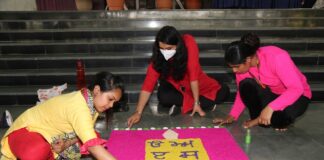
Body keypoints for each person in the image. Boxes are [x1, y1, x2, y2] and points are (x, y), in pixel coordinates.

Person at [0, 71, 124, 160]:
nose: (111, 106)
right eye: (110, 99)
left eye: (114, 102)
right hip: (24, 133)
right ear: (97, 90)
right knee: (36, 151)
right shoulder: (79, 106)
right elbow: (93, 147)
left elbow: (79, 133)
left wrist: (66, 144)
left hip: (50, 139)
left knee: (94, 136)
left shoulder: (90, 103)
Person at [127, 26, 229, 128]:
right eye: (162, 48)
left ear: (178, 45)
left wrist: (197, 102)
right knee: (163, 97)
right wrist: (138, 112)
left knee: (224, 91)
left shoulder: (188, 43)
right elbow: (148, 85)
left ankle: (187, 106)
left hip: (196, 85)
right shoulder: (158, 56)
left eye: (169, 49)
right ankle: (198, 105)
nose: (165, 52)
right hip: (176, 86)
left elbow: (193, 76)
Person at [213, 33, 312, 131]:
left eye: (236, 66)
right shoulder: (242, 68)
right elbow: (241, 93)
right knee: (245, 85)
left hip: (299, 96)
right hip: (274, 94)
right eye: (232, 67)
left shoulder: (277, 56)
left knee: (281, 119)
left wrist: (271, 107)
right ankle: (261, 118)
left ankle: (259, 120)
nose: (234, 71)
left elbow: (296, 89)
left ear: (248, 59)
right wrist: (232, 116)